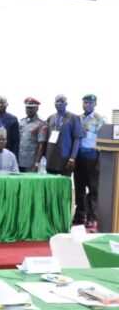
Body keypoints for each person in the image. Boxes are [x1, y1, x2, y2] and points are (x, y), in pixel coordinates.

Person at [73, 94, 107, 228]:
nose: (86, 105)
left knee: (93, 189)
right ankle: (79, 215)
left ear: (95, 104)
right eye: (85, 102)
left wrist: (100, 160)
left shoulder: (100, 120)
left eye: (89, 103)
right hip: (79, 156)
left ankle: (91, 217)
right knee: (79, 187)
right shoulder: (78, 119)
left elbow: (102, 142)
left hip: (92, 156)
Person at [43, 94, 82, 176]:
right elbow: (45, 139)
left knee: (63, 185)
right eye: (57, 102)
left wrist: (72, 158)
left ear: (66, 104)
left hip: (65, 159)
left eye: (62, 102)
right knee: (50, 185)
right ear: (54, 104)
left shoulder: (73, 118)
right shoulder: (50, 118)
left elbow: (77, 139)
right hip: (50, 158)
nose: (59, 104)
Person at [18, 97, 47, 172]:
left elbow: (41, 145)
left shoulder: (41, 123)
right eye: (27, 108)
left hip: (31, 163)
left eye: (31, 108)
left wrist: (37, 163)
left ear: (37, 108)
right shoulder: (22, 122)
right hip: (19, 161)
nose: (29, 110)